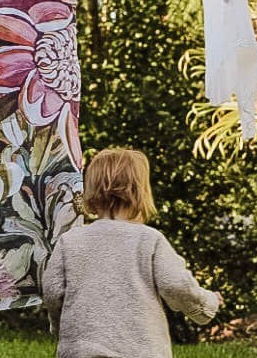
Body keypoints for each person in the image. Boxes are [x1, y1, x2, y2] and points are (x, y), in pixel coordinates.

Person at [40, 147, 222, 358]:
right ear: (140, 192)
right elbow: (175, 284)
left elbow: (52, 291)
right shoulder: (149, 240)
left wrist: (60, 325)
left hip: (82, 351)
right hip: (139, 350)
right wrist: (207, 303)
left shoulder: (70, 242)